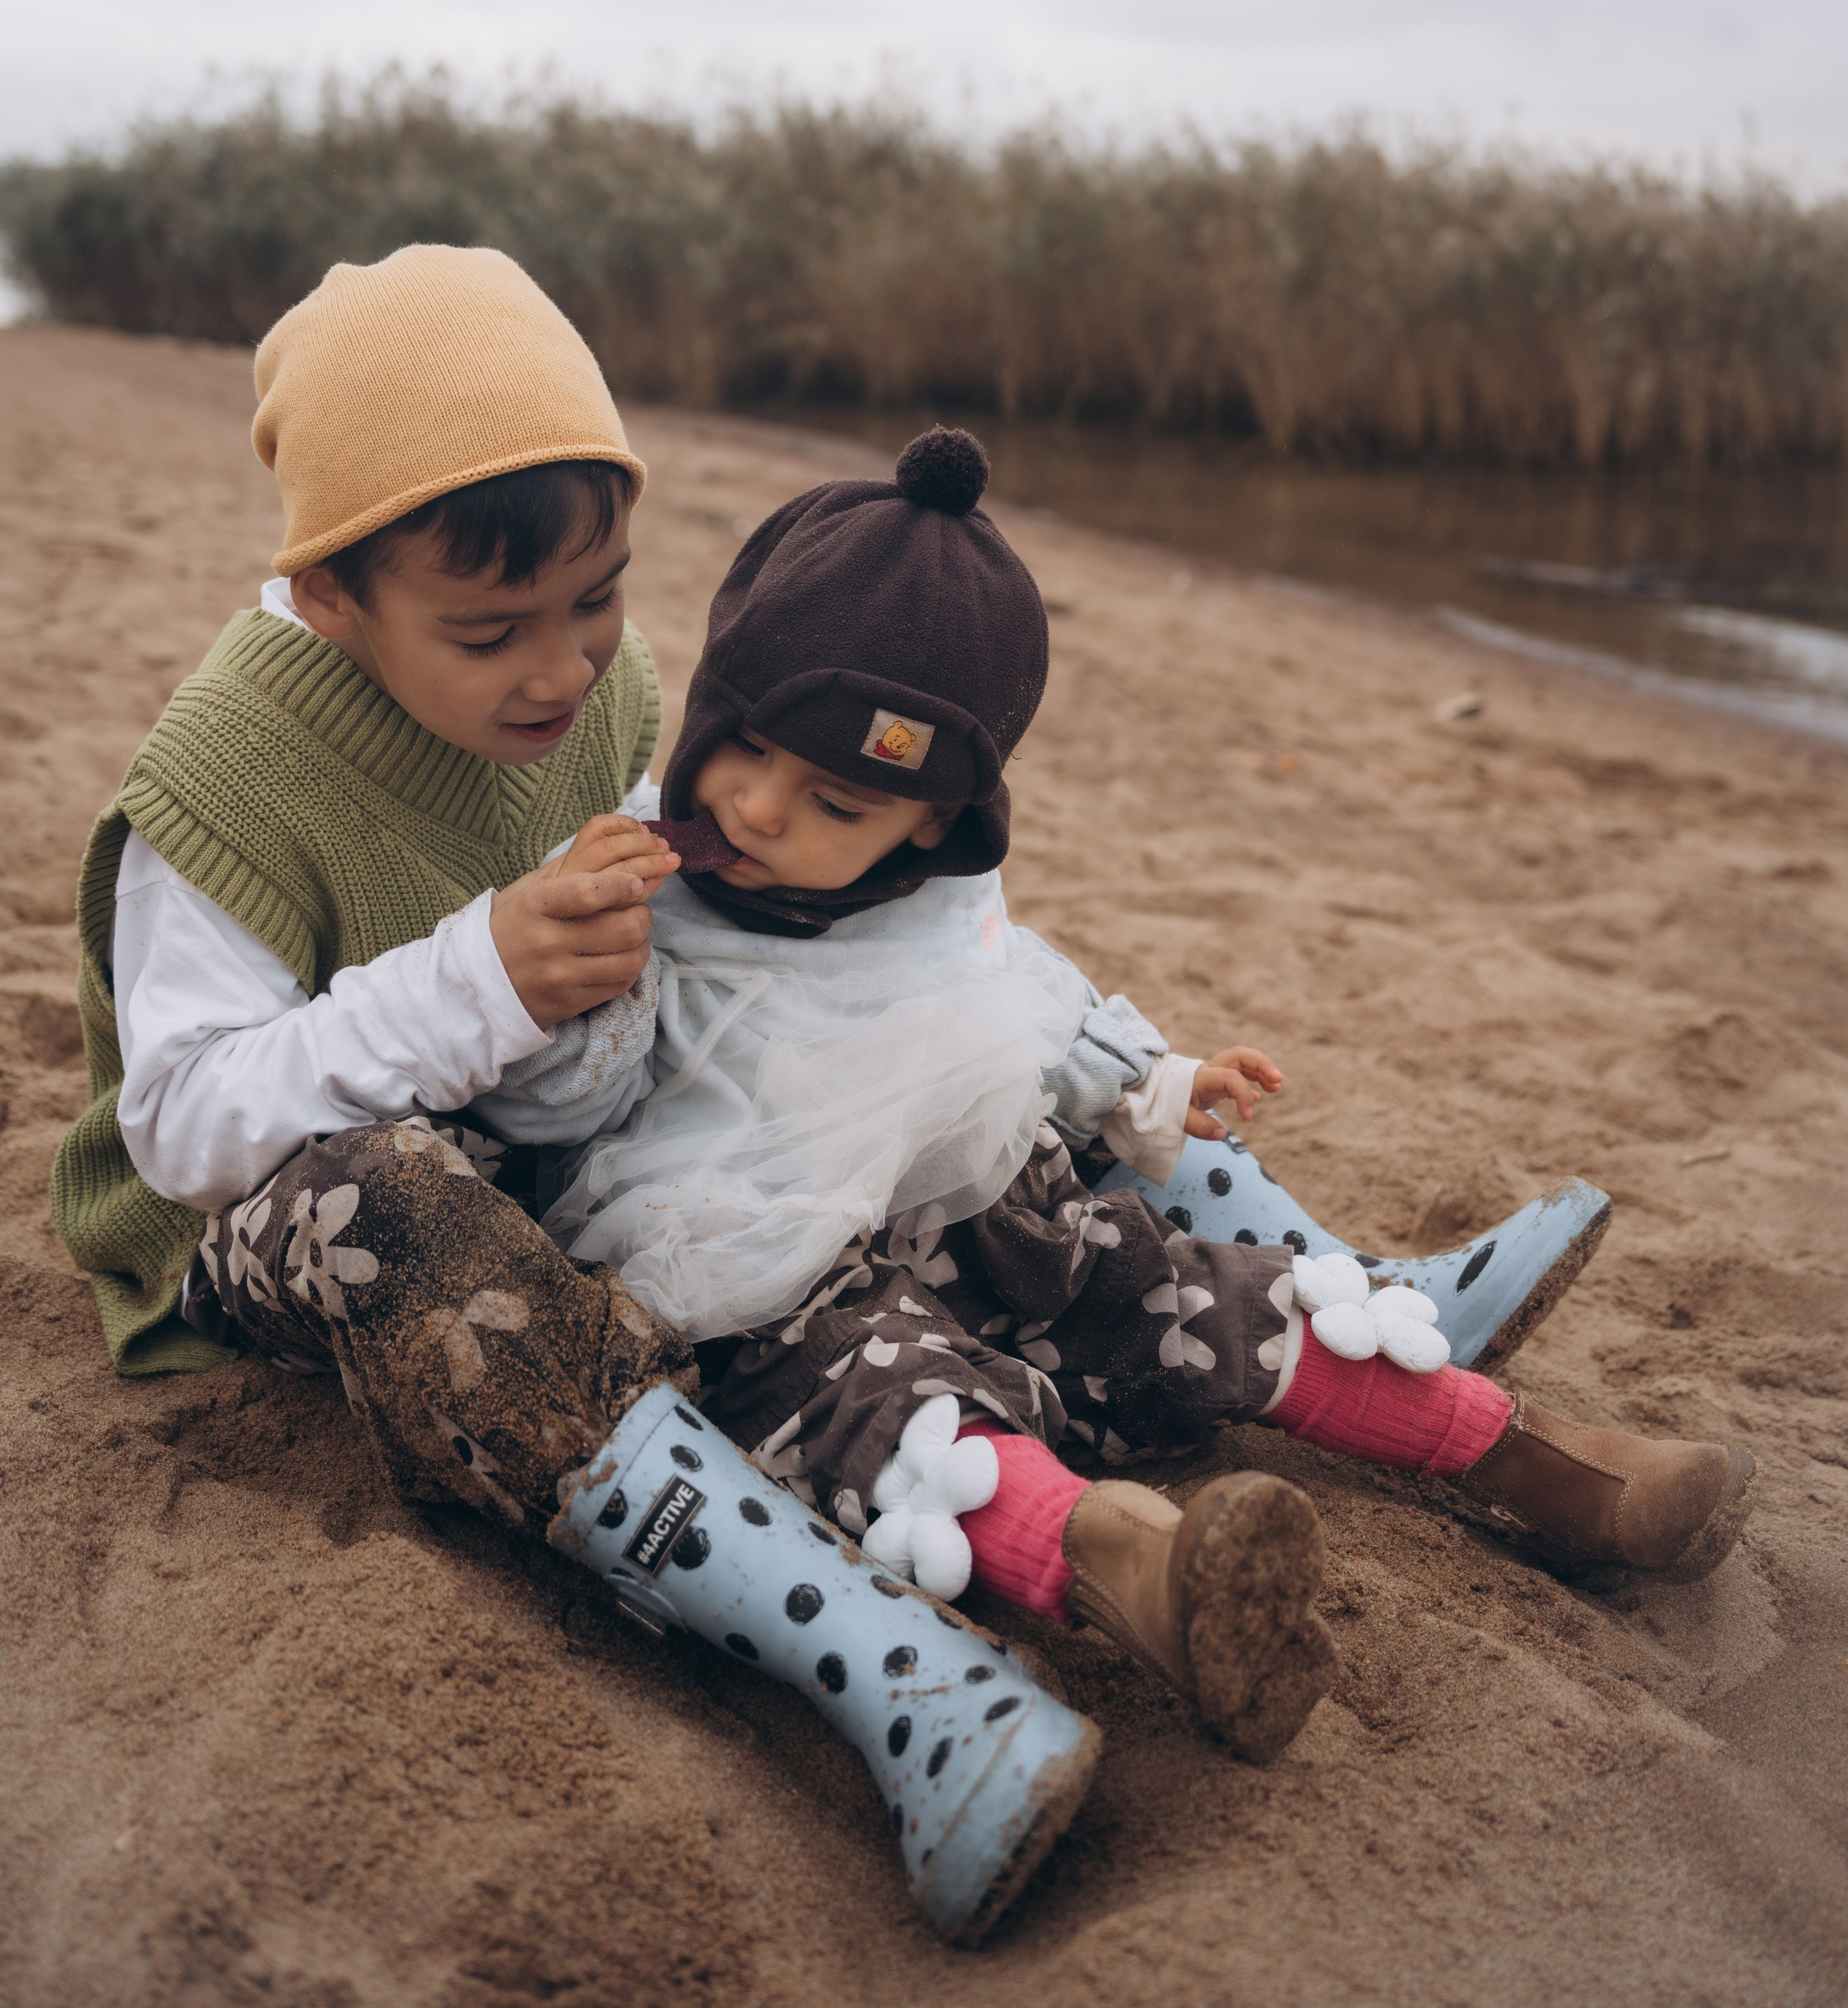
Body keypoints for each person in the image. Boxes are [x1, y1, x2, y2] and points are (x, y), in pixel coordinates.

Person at [51, 247, 1112, 1946]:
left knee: (870, 1033)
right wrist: (480, 975)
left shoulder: (579, 688)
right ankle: (878, 1661)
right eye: (490, 631)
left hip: (536, 1129)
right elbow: (185, 1123)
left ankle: (1288, 1291)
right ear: (331, 594)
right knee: (382, 1189)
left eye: (600, 598)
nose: (559, 670)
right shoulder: (222, 785)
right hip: (275, 1219)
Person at [522, 425, 1757, 1768]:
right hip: (771, 1279)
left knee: (1191, 1291)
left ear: (926, 827)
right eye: (741, 748)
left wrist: (1153, 1080)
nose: (755, 810)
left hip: (982, 1223)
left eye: (830, 798)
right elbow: (559, 1112)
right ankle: (1144, 1572)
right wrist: (585, 984)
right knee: (914, 1432)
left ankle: (1527, 1459)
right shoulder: (646, 889)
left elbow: (1018, 1000)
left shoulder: (935, 903)